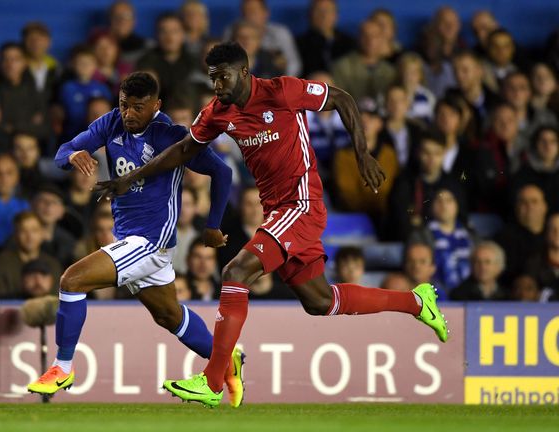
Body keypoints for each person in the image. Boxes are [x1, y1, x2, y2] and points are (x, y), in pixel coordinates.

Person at [97, 42, 448, 407]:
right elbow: (184, 149)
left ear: (244, 72)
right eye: (213, 78)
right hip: (277, 211)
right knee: (320, 301)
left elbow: (341, 98)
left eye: (223, 77)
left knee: (235, 272)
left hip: (302, 204)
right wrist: (131, 176)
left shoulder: (282, 91)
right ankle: (416, 301)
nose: (217, 85)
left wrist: (362, 154)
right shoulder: (217, 111)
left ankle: (213, 381)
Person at [26, 72, 244, 406]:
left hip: (151, 241)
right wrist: (72, 156)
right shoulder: (111, 122)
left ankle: (62, 368)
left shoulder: (171, 135)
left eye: (138, 107)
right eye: (124, 104)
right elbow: (63, 150)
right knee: (169, 316)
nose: (129, 113)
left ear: (156, 105)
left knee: (72, 280)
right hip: (129, 239)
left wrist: (213, 224)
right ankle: (227, 361)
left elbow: (223, 171)